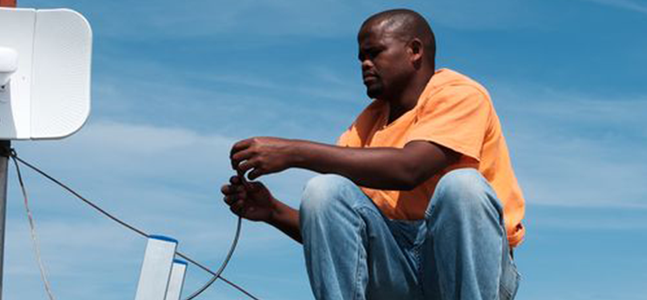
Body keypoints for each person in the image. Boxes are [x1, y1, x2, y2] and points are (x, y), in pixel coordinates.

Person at [220, 9, 525, 300]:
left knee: (462, 187)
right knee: (324, 190)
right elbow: (339, 233)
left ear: (414, 51)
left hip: (467, 278)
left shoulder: (458, 94)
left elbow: (410, 169)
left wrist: (294, 152)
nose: (365, 64)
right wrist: (272, 211)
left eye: (374, 53)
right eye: (361, 57)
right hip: (398, 276)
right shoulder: (366, 125)